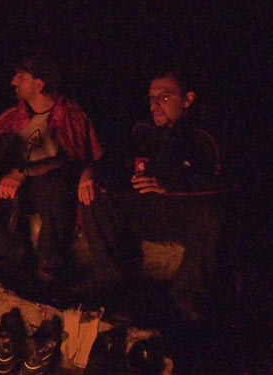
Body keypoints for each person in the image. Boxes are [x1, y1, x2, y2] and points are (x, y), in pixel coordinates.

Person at [79, 69, 225, 321]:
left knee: (211, 216)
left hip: (181, 217)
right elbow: (112, 161)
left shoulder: (203, 136)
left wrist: (169, 185)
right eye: (151, 98)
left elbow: (220, 183)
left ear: (188, 99)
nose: (155, 105)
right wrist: (90, 171)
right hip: (146, 211)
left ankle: (187, 295)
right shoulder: (143, 131)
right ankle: (109, 276)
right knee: (93, 194)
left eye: (164, 97)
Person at [0, 58, 103, 282]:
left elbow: (70, 160)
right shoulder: (13, 116)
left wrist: (22, 172)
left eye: (21, 76)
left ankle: (51, 259)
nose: (13, 81)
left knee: (55, 187)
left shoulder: (69, 115)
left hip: (51, 188)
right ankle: (12, 249)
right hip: (19, 189)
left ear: (39, 84)